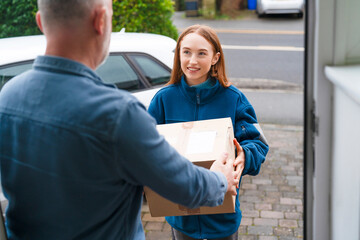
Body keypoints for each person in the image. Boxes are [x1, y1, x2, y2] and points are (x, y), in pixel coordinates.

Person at [0, 2, 240, 239]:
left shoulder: (7, 97)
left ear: (40, 21)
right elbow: (182, 185)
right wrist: (220, 180)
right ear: (101, 21)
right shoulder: (118, 114)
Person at [148, 24, 269, 240]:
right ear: (179, 55)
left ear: (215, 58)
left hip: (223, 218)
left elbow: (257, 143)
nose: (192, 61)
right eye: (186, 52)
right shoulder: (163, 100)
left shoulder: (233, 98)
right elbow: (145, 147)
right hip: (182, 217)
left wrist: (245, 155)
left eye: (201, 53)